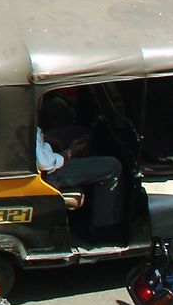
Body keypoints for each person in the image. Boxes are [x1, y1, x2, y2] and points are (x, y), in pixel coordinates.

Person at [36, 93, 123, 232]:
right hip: (45, 175)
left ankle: (89, 204)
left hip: (40, 150)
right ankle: (104, 230)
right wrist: (69, 153)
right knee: (112, 166)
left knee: (80, 132)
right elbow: (45, 164)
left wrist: (47, 139)